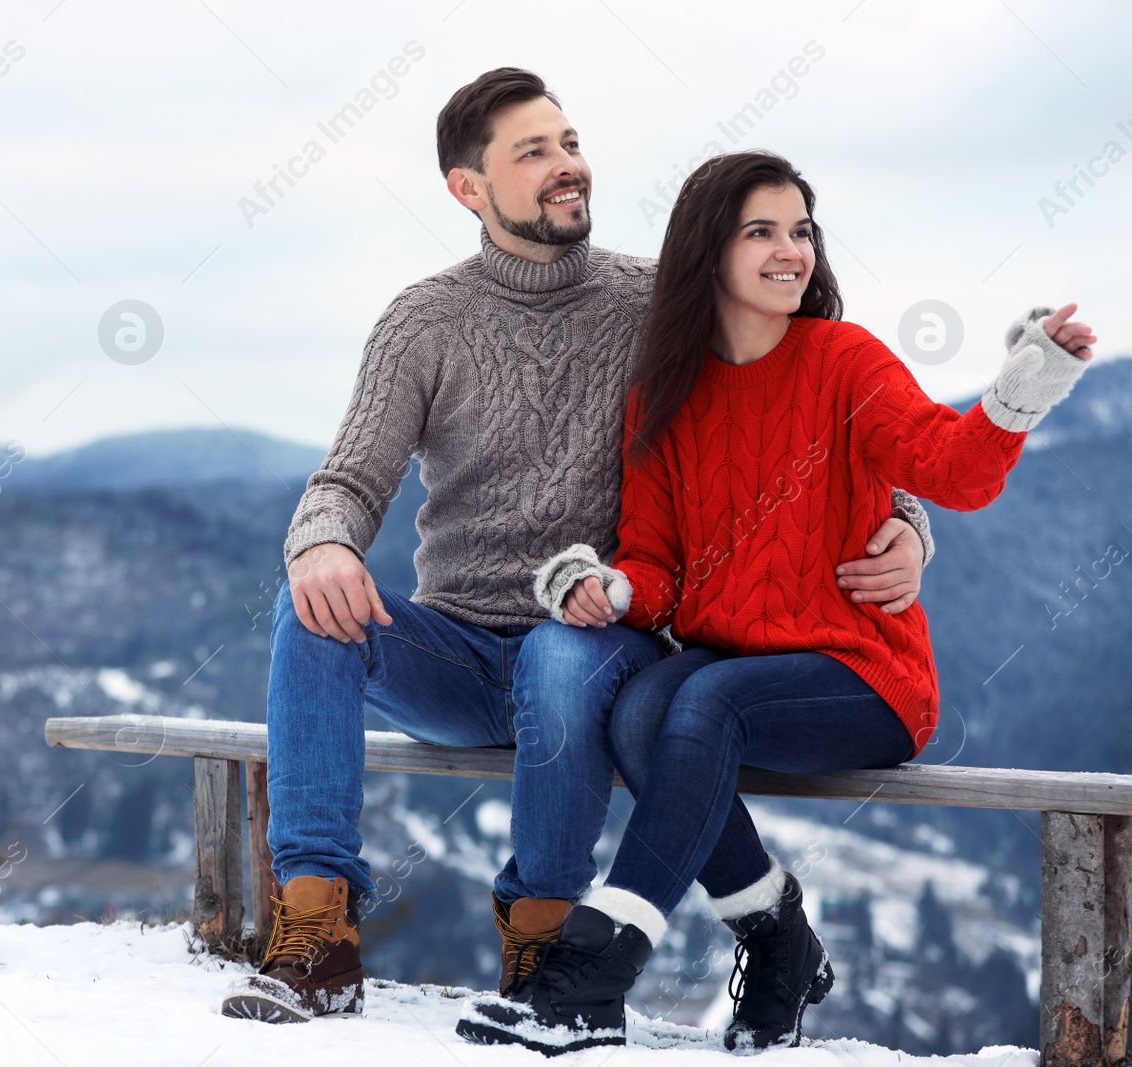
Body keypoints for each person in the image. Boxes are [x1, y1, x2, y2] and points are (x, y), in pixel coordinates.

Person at [222, 73, 936, 1025]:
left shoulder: (657, 303)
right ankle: (318, 934)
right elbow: (346, 482)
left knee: (560, 651)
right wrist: (322, 546)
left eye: (569, 142)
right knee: (306, 610)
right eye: (534, 152)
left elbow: (807, 401)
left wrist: (909, 522)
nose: (568, 167)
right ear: (467, 188)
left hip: (603, 642)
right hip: (464, 654)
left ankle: (546, 941)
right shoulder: (423, 322)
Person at [457, 150, 1095, 1055]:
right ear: (707, 252)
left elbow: (951, 470)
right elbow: (659, 563)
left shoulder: (843, 360)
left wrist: (1023, 384)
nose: (789, 250)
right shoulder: (664, 397)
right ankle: (778, 938)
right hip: (736, 669)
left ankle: (594, 967)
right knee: (642, 708)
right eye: (762, 231)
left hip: (864, 673)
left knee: (703, 699)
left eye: (800, 231)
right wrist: (612, 585)